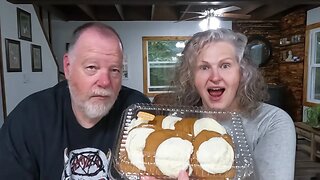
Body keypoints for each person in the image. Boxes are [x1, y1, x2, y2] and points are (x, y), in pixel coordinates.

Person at [0, 22, 151, 180]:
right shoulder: (30, 117)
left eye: (114, 70)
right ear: (68, 67)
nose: (105, 82)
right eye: (92, 67)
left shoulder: (137, 111)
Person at [167, 29, 296, 179]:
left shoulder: (271, 122)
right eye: (204, 67)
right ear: (191, 77)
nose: (215, 77)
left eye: (225, 65)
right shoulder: (179, 121)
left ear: (242, 73)